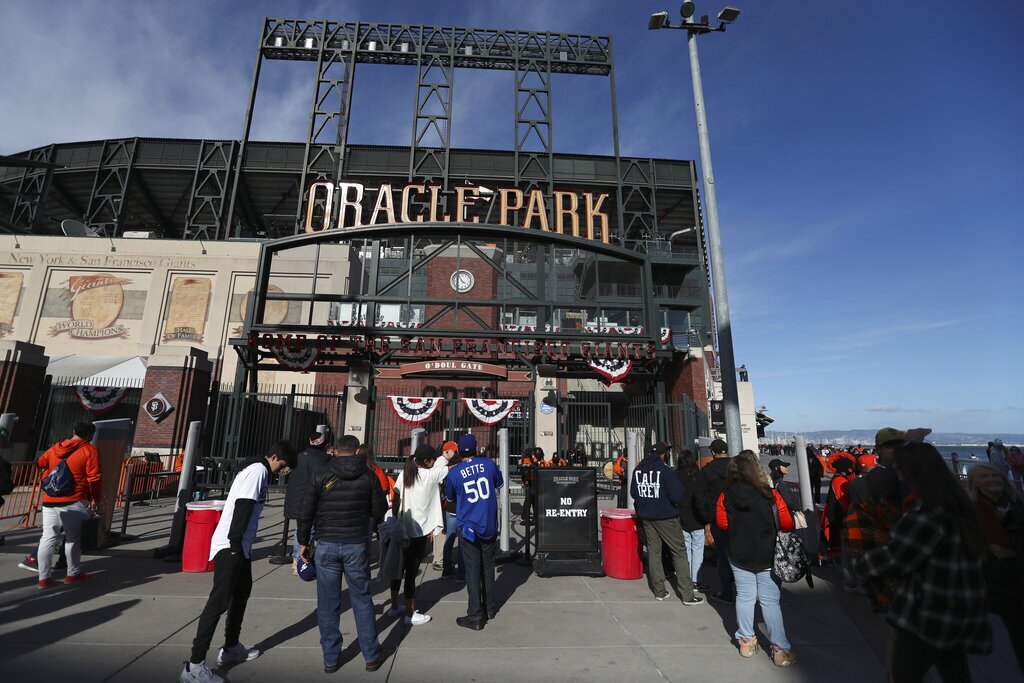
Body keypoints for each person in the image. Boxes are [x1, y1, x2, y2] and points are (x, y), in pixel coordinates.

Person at [856, 441, 991, 682]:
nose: (897, 473)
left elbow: (898, 557)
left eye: (899, 469)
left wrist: (863, 563)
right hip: (960, 605)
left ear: (912, 470)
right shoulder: (956, 501)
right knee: (956, 673)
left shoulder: (927, 511)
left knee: (902, 674)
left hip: (929, 610)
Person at [180, 440, 297, 683]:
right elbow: (243, 505)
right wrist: (235, 545)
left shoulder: (257, 470)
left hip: (240, 547)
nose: (282, 471)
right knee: (218, 602)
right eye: (283, 465)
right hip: (231, 546)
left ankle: (231, 646)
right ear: (274, 456)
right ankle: (194, 665)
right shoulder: (258, 471)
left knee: (241, 594)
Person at [298, 435, 388, 675]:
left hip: (326, 542)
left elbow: (306, 510)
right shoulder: (369, 476)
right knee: (362, 598)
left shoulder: (321, 473)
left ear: (336, 451)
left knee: (328, 603)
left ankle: (331, 657)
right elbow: (380, 509)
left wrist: (303, 541)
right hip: (357, 543)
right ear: (358, 451)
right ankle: (370, 654)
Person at [716, 451, 796, 667]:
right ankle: (780, 650)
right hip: (768, 555)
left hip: (739, 554)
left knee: (744, 597)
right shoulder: (771, 495)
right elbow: (787, 523)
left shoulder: (726, 495)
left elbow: (723, 524)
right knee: (770, 602)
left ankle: (745, 642)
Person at [967, 464, 1024, 672]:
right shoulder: (976, 510)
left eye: (995, 475)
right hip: (998, 582)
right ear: (974, 483)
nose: (992, 479)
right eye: (984, 476)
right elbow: (996, 541)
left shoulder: (1014, 505)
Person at [631, 442, 704, 605]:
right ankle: (687, 595)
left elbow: (633, 493)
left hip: (646, 517)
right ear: (663, 455)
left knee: (654, 552)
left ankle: (659, 591)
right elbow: (678, 496)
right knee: (679, 552)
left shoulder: (638, 471)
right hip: (666, 517)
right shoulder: (665, 471)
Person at [388, 442, 451, 626]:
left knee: (398, 570)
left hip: (402, 528)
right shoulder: (431, 475)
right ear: (427, 461)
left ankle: (394, 606)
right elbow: (452, 468)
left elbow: (397, 495)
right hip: (418, 532)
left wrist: (396, 519)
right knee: (411, 573)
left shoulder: (405, 474)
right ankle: (410, 612)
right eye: (433, 459)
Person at [445, 433, 504, 630]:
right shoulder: (488, 464)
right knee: (488, 567)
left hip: (469, 525)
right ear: (476, 447)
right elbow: (499, 483)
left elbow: (450, 499)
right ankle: (490, 608)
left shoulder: (454, 472)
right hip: (488, 523)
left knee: (472, 570)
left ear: (459, 451)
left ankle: (475, 615)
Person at [34, 421, 102, 589]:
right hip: (75, 499)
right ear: (90, 435)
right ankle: (73, 574)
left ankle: (44, 578)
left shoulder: (55, 447)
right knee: (73, 538)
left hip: (50, 500)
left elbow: (40, 463)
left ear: (73, 431)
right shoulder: (90, 450)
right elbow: (95, 478)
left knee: (48, 537)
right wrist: (96, 498)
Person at [283, 430, 333, 572]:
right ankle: (301, 562)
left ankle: (296, 560)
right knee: (309, 529)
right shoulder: (322, 460)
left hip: (295, 499)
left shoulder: (299, 457)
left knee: (301, 529)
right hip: (309, 500)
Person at [694, 438, 734, 603]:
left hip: (717, 517)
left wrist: (706, 517)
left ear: (712, 453)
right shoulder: (736, 467)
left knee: (723, 554)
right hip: (738, 516)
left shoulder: (707, 471)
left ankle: (726, 591)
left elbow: (699, 496)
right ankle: (743, 588)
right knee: (738, 553)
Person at [675, 449, 708, 591]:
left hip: (682, 517)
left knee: (685, 549)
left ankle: (686, 578)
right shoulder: (698, 475)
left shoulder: (676, 475)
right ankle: (696, 580)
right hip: (696, 517)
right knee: (698, 549)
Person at [439, 440, 464, 580]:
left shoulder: (448, 472)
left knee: (449, 539)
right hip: (462, 509)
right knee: (461, 542)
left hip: (450, 508)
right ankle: (461, 573)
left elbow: (447, 492)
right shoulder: (462, 472)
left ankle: (446, 569)